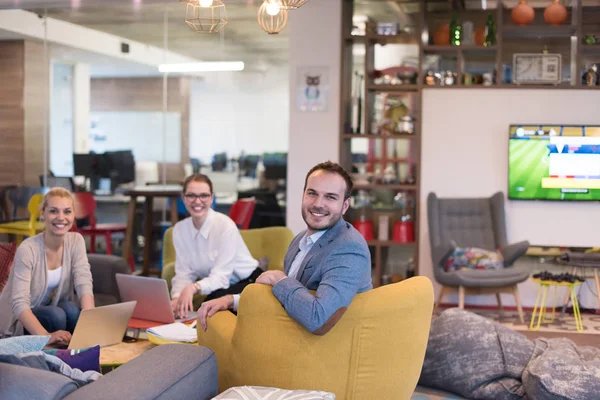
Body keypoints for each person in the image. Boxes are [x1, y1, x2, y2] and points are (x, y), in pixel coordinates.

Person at [198, 161, 372, 335]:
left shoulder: (348, 248)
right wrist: (231, 301)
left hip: (325, 354)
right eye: (312, 193)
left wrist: (279, 279)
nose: (318, 203)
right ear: (303, 195)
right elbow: (287, 298)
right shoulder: (301, 240)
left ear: (345, 205)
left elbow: (319, 319)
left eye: (330, 197)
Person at [0, 187, 95, 346]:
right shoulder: (28, 249)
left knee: (72, 310)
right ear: (42, 214)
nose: (61, 217)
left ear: (73, 215)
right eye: (53, 211)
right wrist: (46, 336)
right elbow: (19, 304)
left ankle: (76, 352)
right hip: (17, 320)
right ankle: (53, 353)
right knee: (55, 315)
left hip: (48, 307)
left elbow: (83, 283)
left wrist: (92, 323)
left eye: (67, 211)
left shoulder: (76, 241)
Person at [170, 174, 266, 319]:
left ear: (212, 198)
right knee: (192, 311)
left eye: (204, 195)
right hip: (220, 286)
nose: (197, 201)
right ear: (183, 198)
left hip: (248, 282)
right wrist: (177, 298)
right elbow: (184, 273)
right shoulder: (180, 230)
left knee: (208, 309)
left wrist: (193, 288)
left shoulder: (225, 226)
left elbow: (221, 277)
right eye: (191, 195)